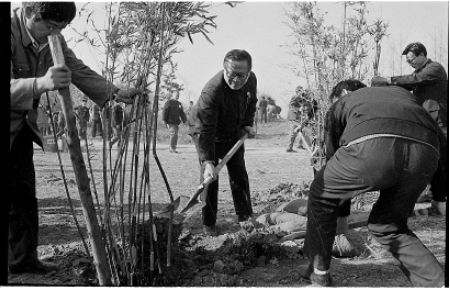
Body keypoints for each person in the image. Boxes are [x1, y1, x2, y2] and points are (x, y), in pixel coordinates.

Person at [10, 2, 142, 274]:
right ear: (29, 13)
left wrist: (115, 92)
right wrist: (39, 84)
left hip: (19, 128)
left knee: (22, 196)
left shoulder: (52, 37)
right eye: (49, 26)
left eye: (61, 28)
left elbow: (77, 70)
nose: (54, 34)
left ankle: (22, 262)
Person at [300, 80, 446, 286]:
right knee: (388, 225)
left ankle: (319, 273)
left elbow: (333, 161)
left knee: (321, 193)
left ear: (342, 93)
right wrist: (441, 195)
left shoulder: (341, 103)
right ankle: (438, 283)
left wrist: (340, 214)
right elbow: (441, 141)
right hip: (425, 153)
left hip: (372, 148)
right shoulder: (403, 95)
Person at [188, 49, 257, 236]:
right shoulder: (212, 91)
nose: (236, 80)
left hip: (233, 130)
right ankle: (209, 223)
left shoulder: (251, 81)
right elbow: (207, 130)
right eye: (231, 74)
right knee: (210, 178)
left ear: (249, 72)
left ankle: (245, 216)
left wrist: (248, 124)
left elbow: (252, 103)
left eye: (241, 75)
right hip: (205, 130)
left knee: (239, 172)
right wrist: (208, 162)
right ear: (224, 69)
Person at [390, 42, 448, 215]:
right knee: (429, 160)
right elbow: (408, 83)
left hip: (440, 123)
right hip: (427, 124)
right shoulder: (419, 72)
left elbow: (414, 80)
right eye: (408, 61)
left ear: (422, 54)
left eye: (412, 59)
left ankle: (441, 200)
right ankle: (435, 196)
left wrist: (388, 80)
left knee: (442, 162)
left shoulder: (435, 68)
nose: (410, 63)